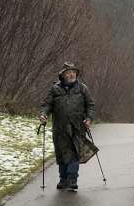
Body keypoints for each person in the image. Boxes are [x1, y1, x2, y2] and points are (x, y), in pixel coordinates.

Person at [39, 62, 98, 191]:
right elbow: (47, 105)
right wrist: (43, 114)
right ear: (63, 75)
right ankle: (63, 179)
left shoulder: (82, 88)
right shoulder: (55, 89)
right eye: (69, 72)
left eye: (73, 72)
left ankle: (72, 179)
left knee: (74, 153)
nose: (72, 74)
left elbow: (90, 105)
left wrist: (89, 118)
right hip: (59, 128)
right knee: (61, 153)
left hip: (77, 127)